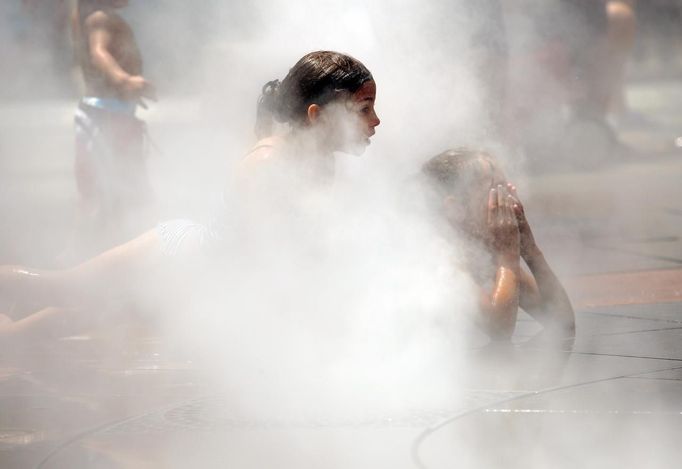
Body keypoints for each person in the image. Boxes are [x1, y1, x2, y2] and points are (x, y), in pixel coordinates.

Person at [0, 51, 380, 343]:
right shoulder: (268, 164)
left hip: (202, 281)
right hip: (173, 263)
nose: (376, 121)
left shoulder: (321, 163)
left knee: (64, 320)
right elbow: (268, 262)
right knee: (62, 288)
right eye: (364, 109)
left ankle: (10, 336)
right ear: (316, 115)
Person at [421, 148, 575, 340]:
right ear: (455, 208)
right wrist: (508, 256)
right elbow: (499, 330)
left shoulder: (483, 251)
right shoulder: (438, 254)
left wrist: (531, 252)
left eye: (508, 190)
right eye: (497, 192)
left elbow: (561, 321)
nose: (509, 201)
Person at [70, 0, 157, 253]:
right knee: (114, 191)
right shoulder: (100, 18)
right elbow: (99, 53)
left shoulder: (91, 15)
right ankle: (88, 255)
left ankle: (108, 248)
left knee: (110, 192)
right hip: (107, 116)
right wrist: (124, 80)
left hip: (107, 113)